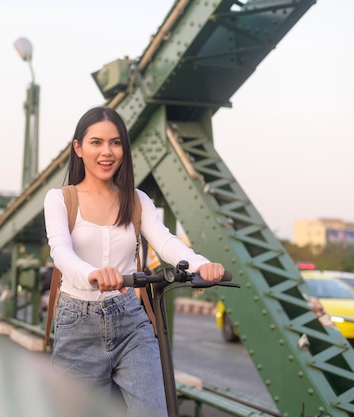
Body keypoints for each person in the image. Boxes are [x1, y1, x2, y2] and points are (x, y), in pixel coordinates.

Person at [43, 106, 225, 417]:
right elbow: (61, 252)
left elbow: (166, 241)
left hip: (130, 320)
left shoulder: (138, 201)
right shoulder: (60, 199)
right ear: (78, 148)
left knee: (154, 410)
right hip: (77, 324)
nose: (107, 152)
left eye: (115, 143)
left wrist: (200, 264)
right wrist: (93, 275)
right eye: (96, 142)